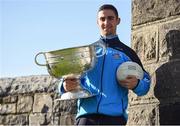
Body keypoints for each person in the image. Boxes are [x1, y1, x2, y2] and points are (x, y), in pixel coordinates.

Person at [59, 4, 151, 125]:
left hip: (114, 120)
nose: (106, 22)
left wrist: (137, 84)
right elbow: (71, 77)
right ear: (97, 22)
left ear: (118, 21)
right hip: (86, 119)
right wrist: (64, 86)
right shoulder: (86, 53)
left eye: (110, 18)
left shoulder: (128, 53)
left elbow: (145, 83)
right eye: (102, 19)